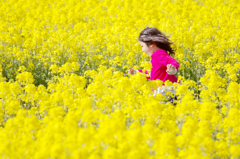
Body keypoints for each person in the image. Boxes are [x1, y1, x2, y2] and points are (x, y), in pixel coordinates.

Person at [128, 27, 180, 102]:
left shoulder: (159, 53)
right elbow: (151, 73)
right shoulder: (155, 57)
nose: (142, 50)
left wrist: (173, 69)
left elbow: (172, 61)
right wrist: (136, 72)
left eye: (142, 46)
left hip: (165, 91)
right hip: (162, 91)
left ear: (151, 44)